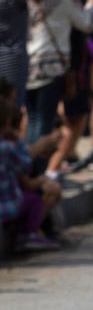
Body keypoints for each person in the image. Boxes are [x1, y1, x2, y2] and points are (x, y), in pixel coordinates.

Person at [25, 0, 93, 149]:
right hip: (52, 65)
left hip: (27, 63)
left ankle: (26, 170)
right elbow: (86, 23)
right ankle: (36, 173)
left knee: (32, 119)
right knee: (44, 122)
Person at [0, 99, 62, 252]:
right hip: (6, 206)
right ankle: (28, 235)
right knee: (34, 200)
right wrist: (39, 148)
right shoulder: (7, 147)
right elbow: (25, 165)